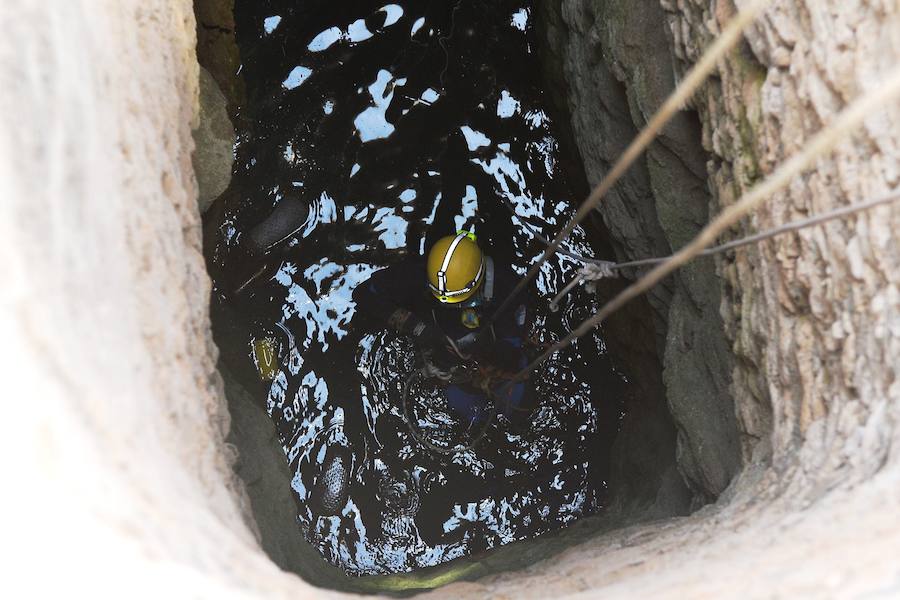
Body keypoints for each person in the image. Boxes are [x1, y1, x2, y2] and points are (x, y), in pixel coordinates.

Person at [354, 230, 536, 429]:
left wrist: (484, 353)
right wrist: (418, 328)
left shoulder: (508, 289)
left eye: (459, 302)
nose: (452, 308)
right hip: (449, 365)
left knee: (518, 414)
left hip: (492, 357)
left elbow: (511, 349)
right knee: (470, 423)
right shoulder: (419, 273)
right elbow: (364, 294)